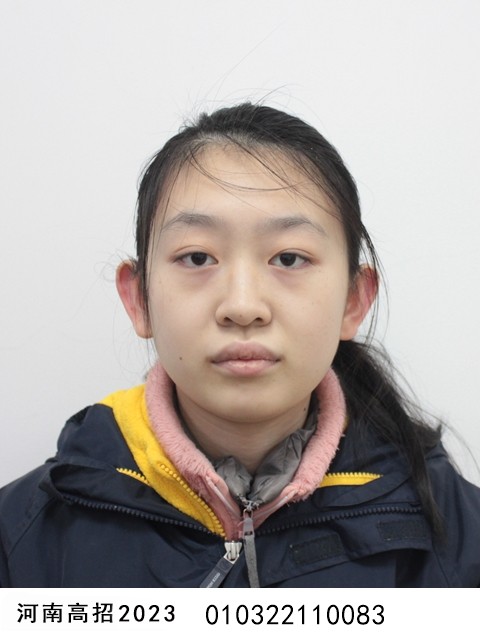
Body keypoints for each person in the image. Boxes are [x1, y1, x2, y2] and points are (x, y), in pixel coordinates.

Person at [1, 103, 479, 588]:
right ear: (139, 298)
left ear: (353, 301)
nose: (243, 306)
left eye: (288, 258)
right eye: (198, 257)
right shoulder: (23, 536)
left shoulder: (459, 536)